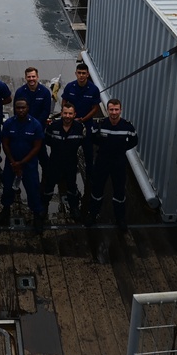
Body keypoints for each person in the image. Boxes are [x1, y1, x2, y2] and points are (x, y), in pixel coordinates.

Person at [86, 98, 138, 231]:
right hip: (102, 161)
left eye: (116, 109)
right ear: (107, 110)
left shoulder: (127, 127)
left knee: (119, 192)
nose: (114, 112)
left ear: (120, 110)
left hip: (118, 162)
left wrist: (119, 150)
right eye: (111, 109)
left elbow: (133, 141)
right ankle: (93, 214)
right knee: (97, 190)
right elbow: (94, 139)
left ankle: (120, 218)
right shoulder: (100, 124)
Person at [0, 99, 46, 233]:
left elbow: (37, 147)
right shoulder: (8, 123)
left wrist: (21, 163)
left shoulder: (35, 125)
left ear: (28, 108)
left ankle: (37, 215)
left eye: (23, 108)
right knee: (7, 187)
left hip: (29, 164)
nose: (21, 110)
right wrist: (13, 161)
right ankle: (6, 210)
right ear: (14, 109)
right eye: (18, 108)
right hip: (11, 163)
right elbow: (5, 143)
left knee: (33, 188)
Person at [42, 100, 86, 222]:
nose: (67, 116)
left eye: (70, 113)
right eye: (65, 113)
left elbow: (82, 142)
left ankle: (74, 207)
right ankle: (44, 206)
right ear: (61, 113)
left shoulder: (79, 128)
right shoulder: (53, 126)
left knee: (72, 186)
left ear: (74, 114)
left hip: (71, 163)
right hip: (55, 161)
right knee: (49, 186)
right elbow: (47, 141)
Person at [62, 62, 101, 180]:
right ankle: (67, 175)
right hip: (71, 124)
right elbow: (64, 102)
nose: (81, 75)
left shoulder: (94, 89)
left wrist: (83, 119)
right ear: (75, 73)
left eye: (84, 73)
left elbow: (95, 108)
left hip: (86, 124)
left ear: (88, 74)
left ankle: (90, 178)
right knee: (69, 151)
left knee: (88, 152)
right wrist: (69, 116)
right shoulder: (69, 87)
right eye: (79, 73)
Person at [14, 66, 53, 167]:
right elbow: (16, 110)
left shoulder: (45, 92)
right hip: (23, 128)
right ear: (25, 78)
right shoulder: (20, 92)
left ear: (37, 77)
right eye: (29, 77)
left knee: (43, 156)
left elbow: (46, 111)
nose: (31, 79)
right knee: (22, 154)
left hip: (39, 129)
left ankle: (46, 178)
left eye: (33, 76)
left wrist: (35, 125)